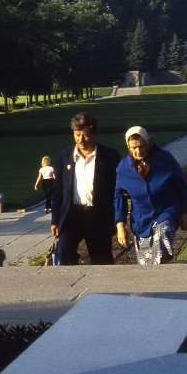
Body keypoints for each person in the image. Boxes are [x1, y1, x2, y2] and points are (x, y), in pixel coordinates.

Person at [51, 112, 122, 265]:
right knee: (63, 254)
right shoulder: (65, 156)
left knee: (101, 261)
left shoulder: (109, 156)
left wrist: (117, 220)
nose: (80, 140)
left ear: (94, 134)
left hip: (97, 216)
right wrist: (55, 220)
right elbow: (58, 190)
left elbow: (116, 190)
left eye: (85, 135)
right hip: (71, 215)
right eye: (77, 135)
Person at [115, 126, 187, 265]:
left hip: (166, 211)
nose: (138, 151)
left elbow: (182, 186)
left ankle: (161, 269)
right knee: (147, 264)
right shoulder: (124, 167)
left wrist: (184, 212)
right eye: (134, 148)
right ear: (128, 147)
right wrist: (120, 225)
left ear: (148, 143)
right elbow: (118, 195)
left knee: (161, 242)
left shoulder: (165, 159)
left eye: (141, 146)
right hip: (142, 219)